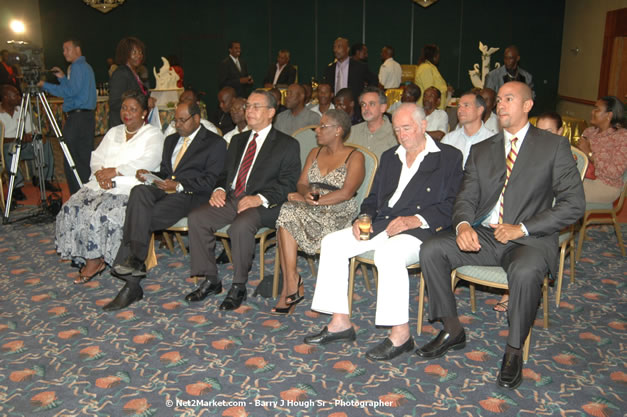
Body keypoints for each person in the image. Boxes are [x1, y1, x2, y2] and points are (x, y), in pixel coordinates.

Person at [416, 82, 585, 389]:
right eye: (500, 100)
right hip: (487, 234)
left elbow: (574, 205)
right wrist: (464, 225)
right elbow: (465, 198)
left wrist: (522, 228)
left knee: (524, 270)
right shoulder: (484, 149)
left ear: (527, 105)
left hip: (528, 239)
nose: (502, 105)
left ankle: (514, 349)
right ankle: (452, 329)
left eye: (510, 99)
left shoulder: (552, 146)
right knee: (432, 249)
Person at [304, 103, 463, 361]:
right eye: (397, 129)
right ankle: (339, 323)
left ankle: (401, 334)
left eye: (407, 128)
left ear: (424, 126)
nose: (402, 135)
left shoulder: (448, 157)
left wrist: (415, 219)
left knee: (388, 254)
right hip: (382, 224)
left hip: (421, 230)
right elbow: (374, 197)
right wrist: (362, 218)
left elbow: (453, 204)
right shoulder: (391, 156)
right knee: (332, 242)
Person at [184, 90, 301, 311]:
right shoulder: (238, 140)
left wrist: (259, 198)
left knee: (240, 226)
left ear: (271, 112)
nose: (249, 110)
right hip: (233, 198)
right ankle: (211, 279)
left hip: (267, 204)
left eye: (256, 106)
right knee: (197, 218)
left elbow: (288, 184)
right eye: (248, 106)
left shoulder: (287, 144)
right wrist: (219, 188)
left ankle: (239, 285)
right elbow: (223, 173)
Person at [105, 101, 227, 311]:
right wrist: (148, 175)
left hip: (191, 195)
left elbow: (211, 180)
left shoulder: (214, 142)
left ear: (197, 119)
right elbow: (165, 173)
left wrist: (179, 185)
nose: (177, 125)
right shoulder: (171, 141)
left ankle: (133, 277)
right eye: (175, 120)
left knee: (139, 218)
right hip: (165, 189)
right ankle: (135, 262)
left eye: (182, 120)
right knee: (139, 191)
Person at [56, 91, 164, 284]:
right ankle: (90, 256)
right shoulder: (114, 131)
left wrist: (115, 171)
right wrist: (100, 173)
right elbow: (97, 157)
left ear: (144, 113)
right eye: (124, 108)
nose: (127, 113)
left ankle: (98, 260)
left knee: (102, 212)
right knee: (73, 206)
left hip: (130, 186)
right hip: (102, 183)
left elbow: (149, 161)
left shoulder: (153, 134)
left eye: (133, 109)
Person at [273, 109, 365, 314]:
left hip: (338, 211)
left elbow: (347, 193)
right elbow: (302, 182)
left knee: (288, 213)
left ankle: (292, 285)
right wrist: (305, 195)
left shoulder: (354, 156)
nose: (317, 130)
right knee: (287, 211)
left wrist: (314, 202)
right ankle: (291, 280)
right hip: (311, 206)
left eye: (323, 126)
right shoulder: (314, 153)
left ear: (338, 130)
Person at [38, 38, 96, 195]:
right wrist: (62, 78)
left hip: (77, 119)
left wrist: (45, 85)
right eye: (63, 50)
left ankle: (77, 195)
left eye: (67, 49)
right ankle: (86, 193)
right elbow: (73, 91)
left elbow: (70, 93)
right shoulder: (85, 67)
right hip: (86, 118)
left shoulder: (77, 67)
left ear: (78, 49)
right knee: (83, 159)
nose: (64, 53)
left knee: (72, 160)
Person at [0, 84, 58, 201]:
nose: (19, 97)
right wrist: (17, 139)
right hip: (6, 147)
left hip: (24, 146)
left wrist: (36, 135)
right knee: (10, 148)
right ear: (6, 97)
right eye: (15, 95)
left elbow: (32, 130)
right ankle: (16, 187)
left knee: (44, 143)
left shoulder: (22, 110)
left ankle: (43, 179)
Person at [577, 96, 626, 203]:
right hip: (582, 177)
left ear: (609, 115)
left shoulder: (622, 137)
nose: (592, 112)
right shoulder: (589, 132)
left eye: (597, 109)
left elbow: (615, 172)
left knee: (565, 190)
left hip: (606, 185)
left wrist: (590, 154)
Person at [442, 91, 493, 167]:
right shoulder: (449, 139)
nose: (460, 110)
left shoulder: (492, 141)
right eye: (459, 106)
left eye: (466, 105)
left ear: (480, 110)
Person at [108, 37, 151, 128]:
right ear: (126, 54)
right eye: (134, 52)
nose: (139, 55)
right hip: (123, 126)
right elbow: (114, 103)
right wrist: (144, 103)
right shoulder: (121, 73)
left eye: (140, 52)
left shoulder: (134, 73)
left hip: (134, 125)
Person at [348, 87, 397, 159]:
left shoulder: (395, 134)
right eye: (363, 104)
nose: (366, 108)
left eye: (372, 104)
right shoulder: (352, 131)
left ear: (383, 108)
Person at [414, 45, 448, 110]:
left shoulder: (430, 67)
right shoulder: (425, 68)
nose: (439, 57)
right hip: (429, 110)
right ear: (434, 56)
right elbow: (430, 92)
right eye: (438, 54)